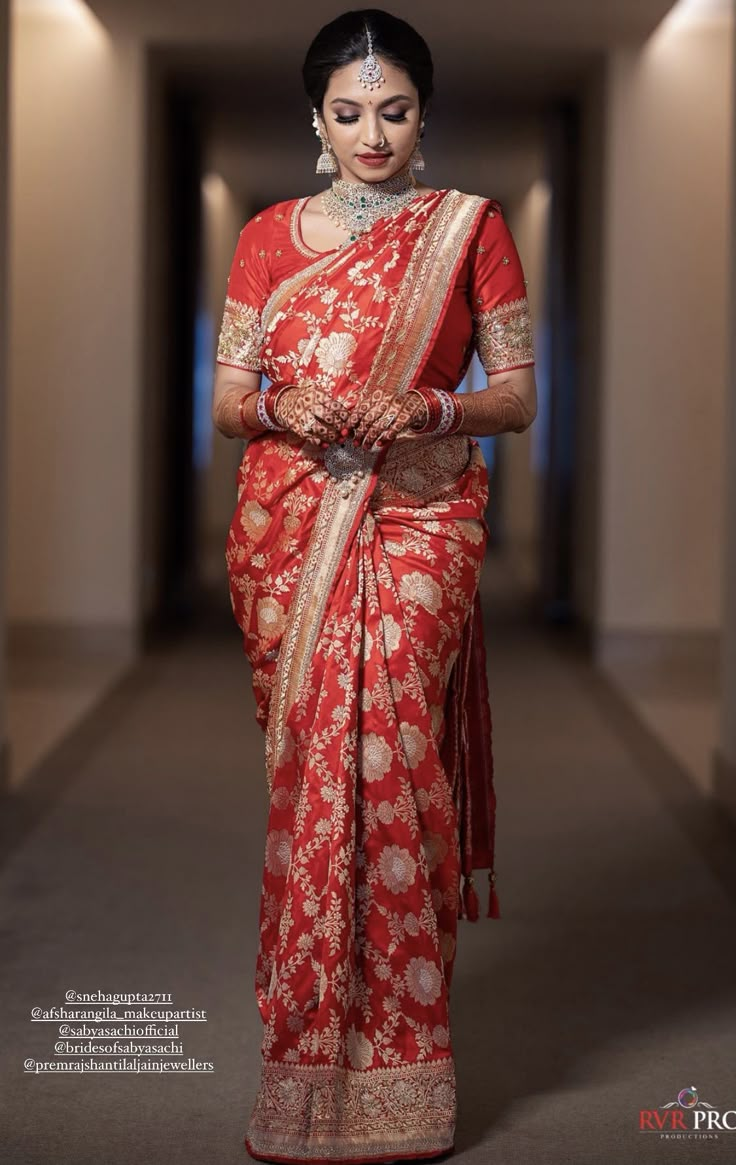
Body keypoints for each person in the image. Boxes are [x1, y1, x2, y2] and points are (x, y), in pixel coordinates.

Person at [211, 9, 537, 1163]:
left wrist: (430, 407)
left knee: (393, 737)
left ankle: (405, 1056)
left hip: (421, 516)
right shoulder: (264, 238)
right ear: (315, 120)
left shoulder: (469, 232)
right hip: (293, 523)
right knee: (315, 765)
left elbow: (515, 395)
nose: (371, 133)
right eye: (347, 113)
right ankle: (304, 1054)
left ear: (422, 115)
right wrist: (284, 406)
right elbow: (230, 397)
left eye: (391, 110)